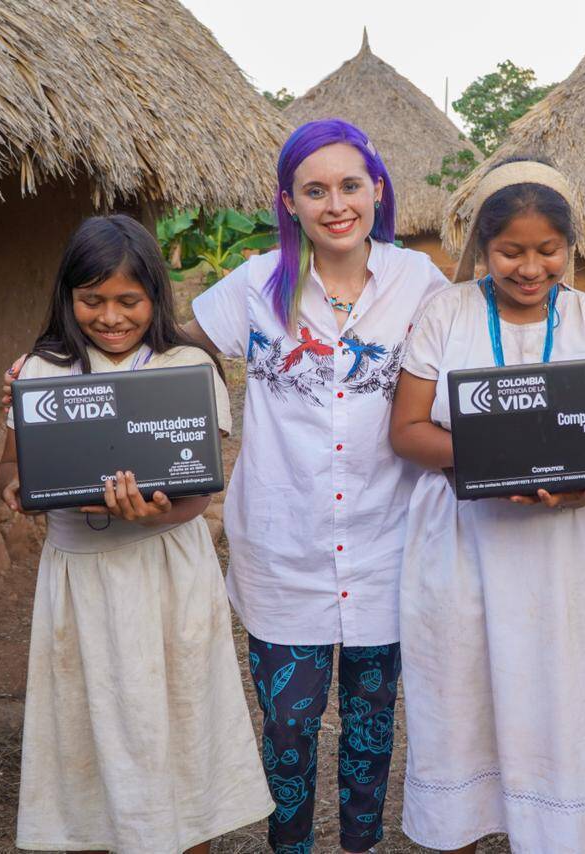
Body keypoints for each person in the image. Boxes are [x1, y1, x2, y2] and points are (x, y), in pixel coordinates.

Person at [184, 119, 450, 854]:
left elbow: (481, 352)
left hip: (387, 547)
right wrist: (65, 363)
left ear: (377, 192)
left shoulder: (420, 284)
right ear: (289, 202)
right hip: (284, 551)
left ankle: (360, 846)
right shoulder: (254, 286)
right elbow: (171, 347)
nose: (336, 203)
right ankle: (290, 846)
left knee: (372, 729)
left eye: (350, 186)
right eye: (315, 190)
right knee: (289, 729)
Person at [0, 214, 273, 854]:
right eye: (92, 300)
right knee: (90, 723)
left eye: (129, 300)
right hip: (82, 580)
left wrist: (157, 514)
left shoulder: (186, 365)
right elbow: (11, 466)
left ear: (156, 296)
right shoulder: (41, 370)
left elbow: (199, 488)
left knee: (176, 717)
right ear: (67, 297)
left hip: (167, 575)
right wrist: (14, 487)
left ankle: (186, 839)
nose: (110, 316)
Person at [389, 158, 585, 854]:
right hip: (464, 544)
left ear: (571, 248)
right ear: (482, 250)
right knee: (458, 695)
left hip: (569, 549)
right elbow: (407, 431)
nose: (530, 267)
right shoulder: (446, 313)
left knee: (564, 693)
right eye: (511, 252)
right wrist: (493, 461)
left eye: (547, 250)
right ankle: (456, 833)